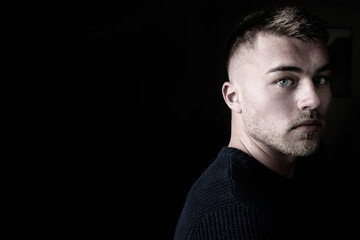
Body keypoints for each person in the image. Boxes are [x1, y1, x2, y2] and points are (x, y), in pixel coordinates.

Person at [174, 6, 335, 240]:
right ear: (233, 97)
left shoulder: (307, 172)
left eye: (321, 79)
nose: (314, 99)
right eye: (284, 80)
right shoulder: (233, 216)